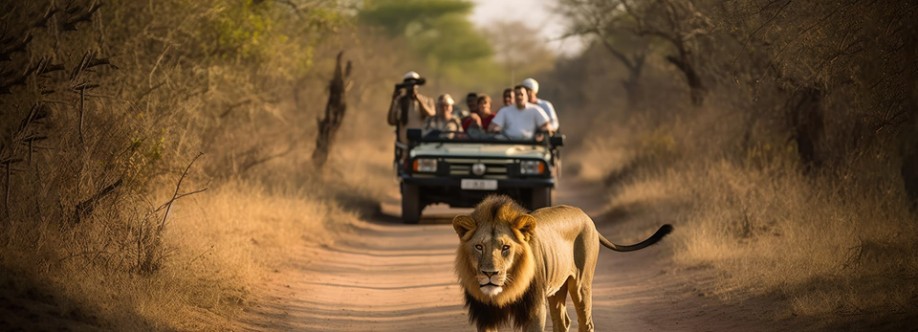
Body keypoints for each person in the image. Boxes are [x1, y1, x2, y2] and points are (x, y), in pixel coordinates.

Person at [387, 71, 436, 144]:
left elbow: (431, 114)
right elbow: (391, 121)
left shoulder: (426, 100)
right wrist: (394, 100)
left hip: (421, 143)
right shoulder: (400, 102)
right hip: (404, 143)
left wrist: (419, 100)